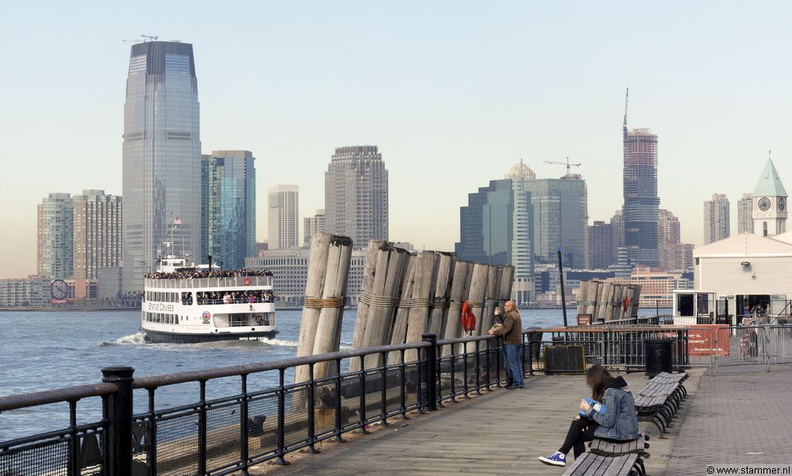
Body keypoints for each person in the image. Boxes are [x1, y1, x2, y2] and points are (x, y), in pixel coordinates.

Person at [538, 365, 639, 467]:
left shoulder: (611, 393)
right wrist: (585, 417)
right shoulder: (617, 386)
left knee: (577, 435)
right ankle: (564, 456)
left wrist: (589, 410)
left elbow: (609, 422)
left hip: (622, 433)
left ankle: (572, 462)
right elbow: (610, 414)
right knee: (578, 424)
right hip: (625, 429)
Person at [488, 300, 523, 389]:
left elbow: (506, 328)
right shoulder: (515, 314)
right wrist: (498, 315)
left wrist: (494, 332)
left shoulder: (511, 316)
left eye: (506, 306)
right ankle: (517, 382)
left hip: (511, 343)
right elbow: (505, 325)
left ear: (511, 307)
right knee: (517, 363)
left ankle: (517, 383)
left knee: (512, 364)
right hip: (516, 342)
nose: (504, 307)